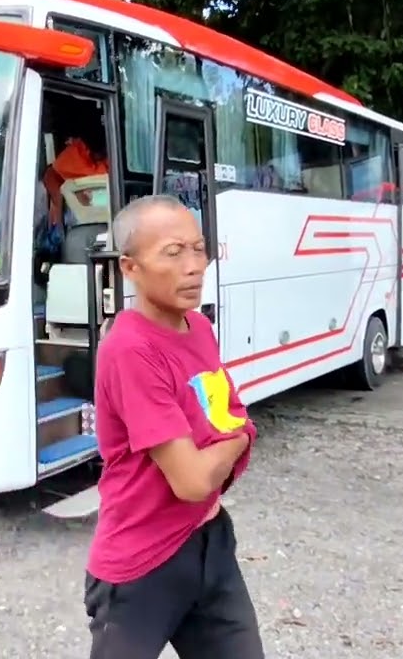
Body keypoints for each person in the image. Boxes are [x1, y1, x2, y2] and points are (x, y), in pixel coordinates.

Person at [84, 194, 263, 659]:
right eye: (173, 252)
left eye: (199, 249)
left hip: (210, 544)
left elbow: (230, 416)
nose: (194, 266)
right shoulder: (130, 349)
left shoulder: (198, 328)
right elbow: (193, 479)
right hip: (142, 563)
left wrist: (230, 438)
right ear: (130, 268)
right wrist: (238, 441)